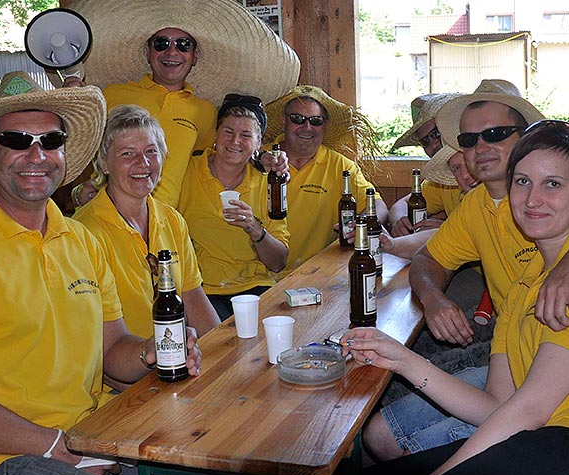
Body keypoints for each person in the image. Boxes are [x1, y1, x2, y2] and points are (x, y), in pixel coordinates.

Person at [0, 71, 201, 475]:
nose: (36, 154)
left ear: (66, 153)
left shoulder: (82, 240)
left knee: (237, 471)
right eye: (16, 139)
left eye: (51, 139)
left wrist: (151, 351)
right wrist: (57, 447)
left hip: (89, 434)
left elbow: (113, 354)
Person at [343, 120, 569, 475]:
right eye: (523, 182)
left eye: (553, 185)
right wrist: (401, 359)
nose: (533, 199)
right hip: (549, 439)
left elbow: (531, 409)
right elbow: (495, 406)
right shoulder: (523, 286)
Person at [65, 0, 299, 208]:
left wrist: (259, 159)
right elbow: (77, 147)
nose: (171, 51)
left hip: (164, 223)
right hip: (107, 212)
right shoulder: (111, 95)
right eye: (161, 43)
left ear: (195, 56)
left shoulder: (204, 111)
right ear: (148, 52)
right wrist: (77, 193)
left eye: (183, 44)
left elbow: (219, 156)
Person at [73, 104, 220, 390]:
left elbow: (194, 300)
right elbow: (97, 357)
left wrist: (226, 354)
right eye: (127, 153)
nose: (143, 163)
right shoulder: (83, 233)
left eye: (151, 151)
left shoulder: (171, 220)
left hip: (176, 370)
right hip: (121, 386)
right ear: (103, 163)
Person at [174, 94, 289, 320]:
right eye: (228, 132)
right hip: (200, 289)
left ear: (258, 143)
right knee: (218, 344)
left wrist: (255, 229)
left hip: (255, 286)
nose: (235, 141)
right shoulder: (186, 169)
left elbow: (278, 262)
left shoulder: (270, 182)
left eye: (245, 135)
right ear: (215, 135)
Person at [262, 85, 388, 277]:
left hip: (318, 273)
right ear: (283, 121)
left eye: (316, 121)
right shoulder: (259, 159)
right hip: (257, 277)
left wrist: (360, 225)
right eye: (298, 119)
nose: (307, 127)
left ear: (325, 126)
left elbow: (377, 205)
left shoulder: (340, 166)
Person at [387, 92, 463, 237]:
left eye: (436, 133)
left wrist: (447, 228)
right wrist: (400, 221)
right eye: (425, 141)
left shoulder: (485, 171)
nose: (433, 144)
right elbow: (401, 205)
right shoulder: (441, 182)